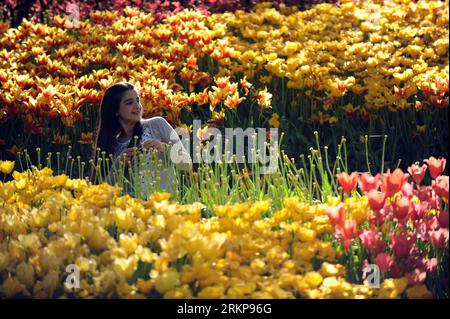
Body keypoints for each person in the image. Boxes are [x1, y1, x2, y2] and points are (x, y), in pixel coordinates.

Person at [90, 81, 192, 198]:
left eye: (137, 101)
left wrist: (165, 148)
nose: (137, 106)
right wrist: (117, 166)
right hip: (133, 212)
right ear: (116, 110)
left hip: (164, 209)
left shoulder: (157, 124)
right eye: (129, 103)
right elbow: (101, 192)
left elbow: (187, 164)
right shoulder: (110, 144)